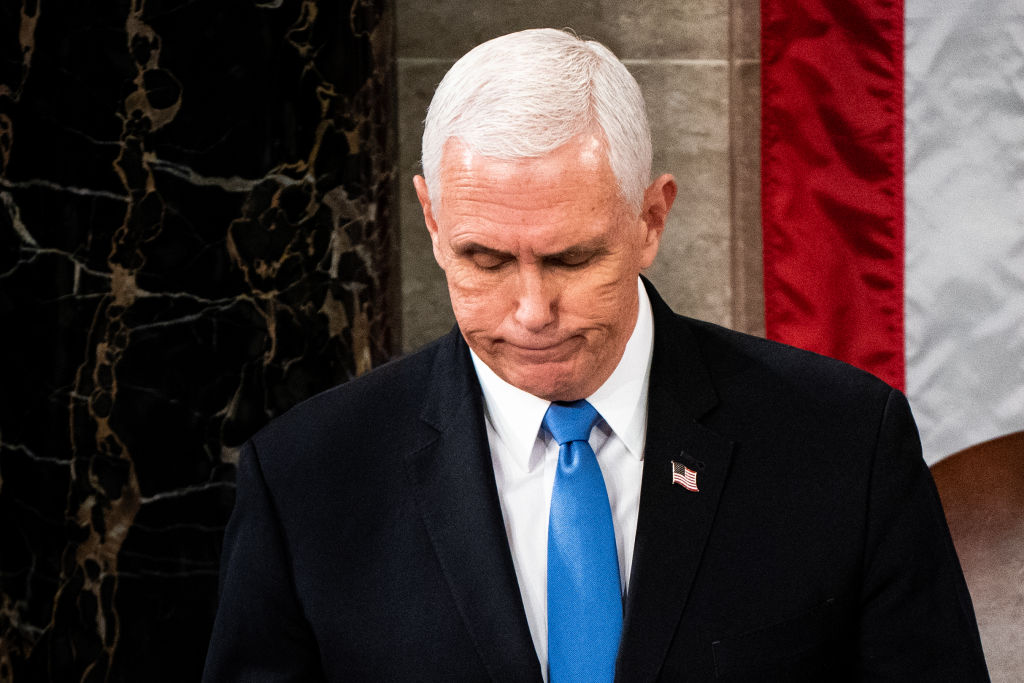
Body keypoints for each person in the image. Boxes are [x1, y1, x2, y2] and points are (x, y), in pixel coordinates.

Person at [203, 28, 989, 682]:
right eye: (484, 260)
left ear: (652, 218)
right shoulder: (306, 480)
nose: (532, 310)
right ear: (432, 221)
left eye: (573, 259)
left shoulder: (844, 441)